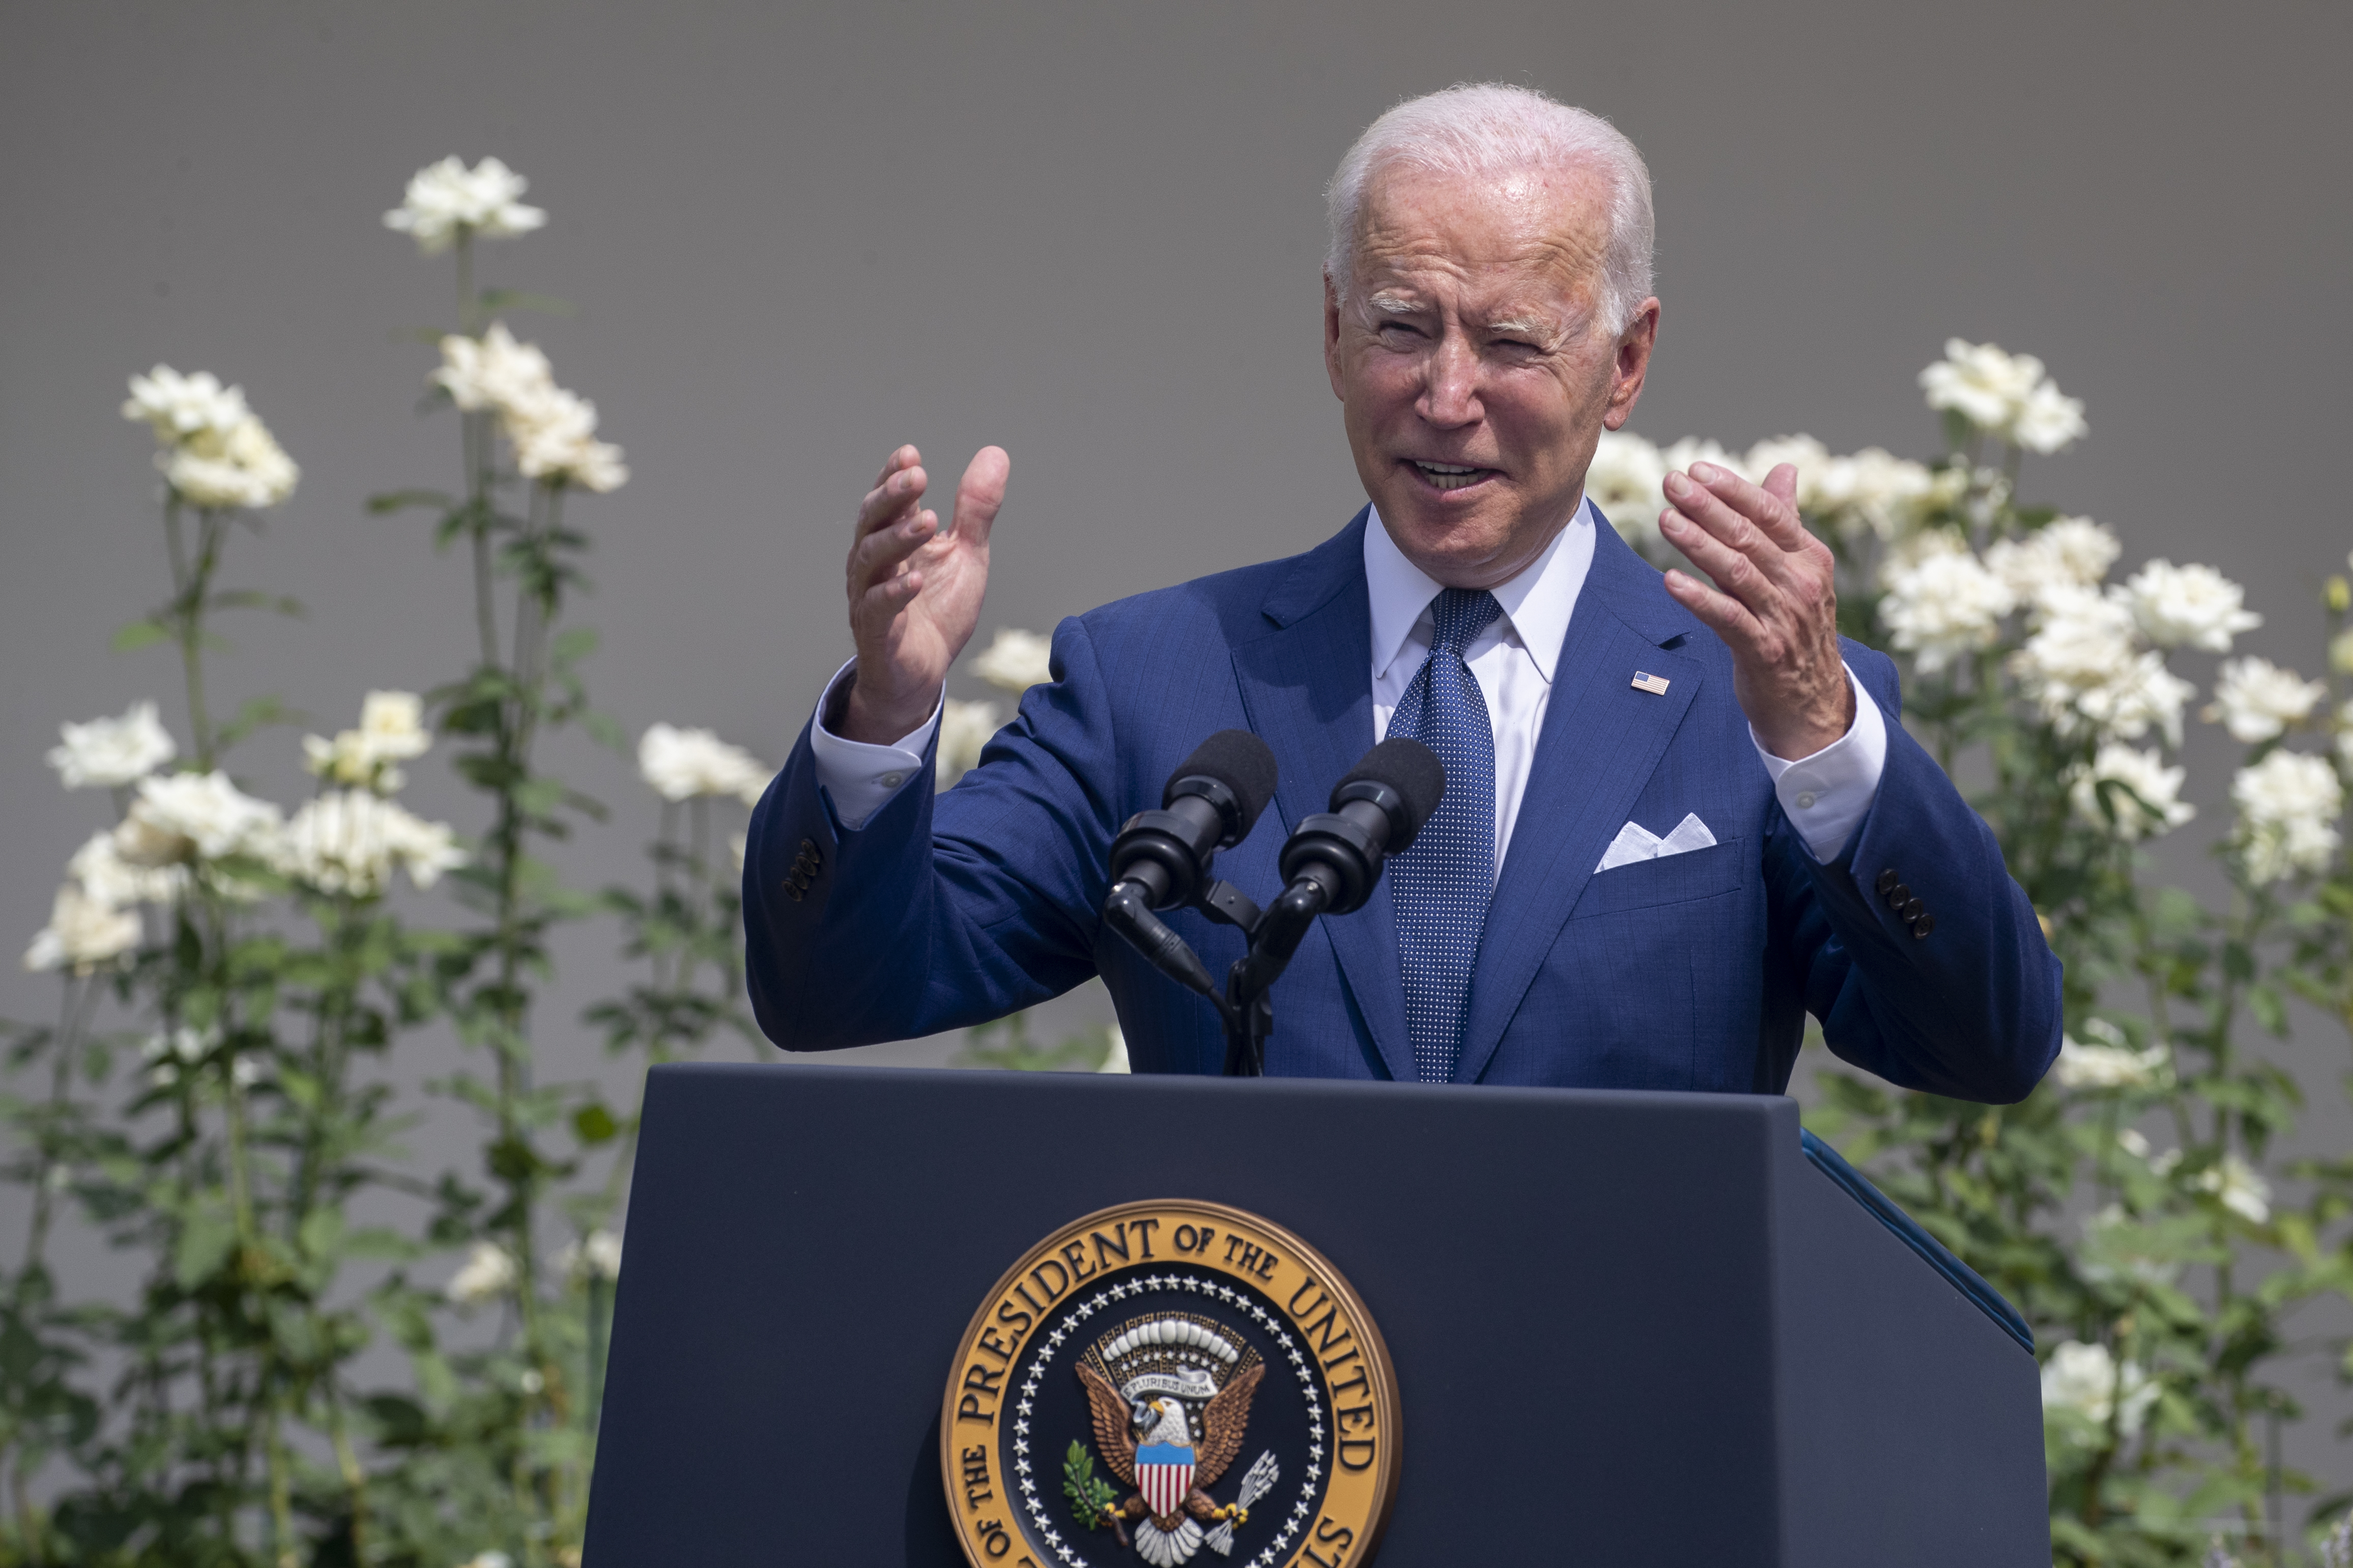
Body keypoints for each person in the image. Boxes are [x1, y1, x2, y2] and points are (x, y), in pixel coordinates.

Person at [742, 83, 2061, 1097]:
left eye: (1511, 341)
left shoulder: (1759, 698)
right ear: (1333, 332)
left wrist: (1822, 737)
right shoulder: (1156, 676)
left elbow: (1983, 1044)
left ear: (1626, 361)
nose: (1446, 395)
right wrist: (883, 716)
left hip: (1630, 1371)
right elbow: (840, 990)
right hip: (1262, 1375)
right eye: (1401, 328)